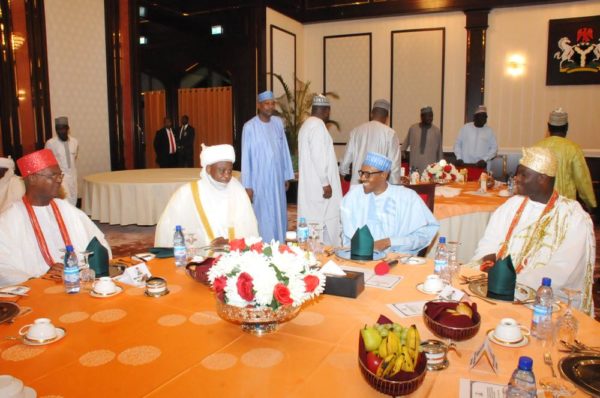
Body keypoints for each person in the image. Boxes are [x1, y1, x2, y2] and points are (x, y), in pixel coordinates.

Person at [472, 147, 595, 315]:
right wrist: (490, 264)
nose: (516, 179)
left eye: (524, 175)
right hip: (496, 284)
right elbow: (490, 241)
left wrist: (513, 283)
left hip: (542, 297)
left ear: (542, 179)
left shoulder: (572, 216)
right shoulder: (512, 205)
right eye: (517, 174)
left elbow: (563, 270)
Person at [0, 149, 111, 287]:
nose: (59, 180)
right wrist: (39, 279)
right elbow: (3, 268)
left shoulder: (68, 209)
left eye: (60, 175)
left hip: (77, 282)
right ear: (32, 178)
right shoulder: (9, 220)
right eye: (53, 175)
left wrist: (83, 268)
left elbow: (99, 244)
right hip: (37, 290)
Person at [155, 143, 259, 248]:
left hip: (234, 256)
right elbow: (169, 232)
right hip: (200, 257)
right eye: (222, 171)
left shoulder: (237, 190)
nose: (227, 176)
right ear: (209, 169)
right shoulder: (187, 193)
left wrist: (231, 242)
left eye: (230, 171)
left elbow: (248, 228)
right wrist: (209, 243)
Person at [341, 152, 439, 254]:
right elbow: (346, 235)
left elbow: (424, 235)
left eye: (368, 174)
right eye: (361, 173)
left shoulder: (407, 197)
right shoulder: (353, 196)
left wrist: (389, 242)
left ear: (384, 175)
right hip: (360, 258)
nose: (362, 178)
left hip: (396, 260)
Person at [241, 90, 295, 242]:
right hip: (260, 180)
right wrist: (248, 185)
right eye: (266, 104)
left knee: (279, 212)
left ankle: (279, 244)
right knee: (263, 213)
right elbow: (246, 157)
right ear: (259, 105)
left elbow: (284, 149)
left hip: (277, 179)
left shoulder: (278, 123)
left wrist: (286, 175)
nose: (270, 107)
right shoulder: (250, 127)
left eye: (272, 103)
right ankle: (263, 246)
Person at [297, 94, 342, 246]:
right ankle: (325, 253)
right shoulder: (317, 126)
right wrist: (325, 183)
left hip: (311, 184)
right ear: (327, 111)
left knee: (314, 218)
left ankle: (315, 251)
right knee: (323, 218)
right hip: (319, 186)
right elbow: (318, 156)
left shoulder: (306, 125)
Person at [535, 108, 596, 211]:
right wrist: (591, 204)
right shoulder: (574, 149)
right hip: (566, 208)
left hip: (540, 207)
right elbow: (583, 182)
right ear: (567, 127)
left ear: (548, 126)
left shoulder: (538, 147)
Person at [339, 99, 402, 185]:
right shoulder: (390, 134)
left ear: (371, 114)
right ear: (387, 117)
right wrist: (395, 186)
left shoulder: (356, 131)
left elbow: (346, 158)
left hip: (357, 185)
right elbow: (394, 166)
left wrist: (343, 173)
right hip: (378, 188)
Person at [45, 116, 79, 205]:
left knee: (74, 197)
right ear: (56, 130)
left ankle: (72, 218)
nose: (61, 131)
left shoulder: (74, 142)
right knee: (65, 200)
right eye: (59, 129)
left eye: (63, 129)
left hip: (72, 174)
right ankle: (66, 218)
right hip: (60, 176)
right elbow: (47, 162)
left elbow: (74, 157)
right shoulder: (50, 143)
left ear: (68, 128)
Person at [402, 106, 443, 173]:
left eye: (432, 116)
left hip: (430, 168)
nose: (431, 118)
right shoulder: (413, 129)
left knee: (429, 182)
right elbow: (406, 142)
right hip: (415, 164)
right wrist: (402, 150)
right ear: (422, 117)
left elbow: (440, 151)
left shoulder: (436, 131)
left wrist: (441, 166)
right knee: (414, 181)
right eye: (428, 116)